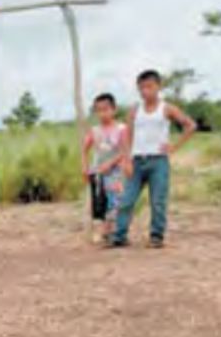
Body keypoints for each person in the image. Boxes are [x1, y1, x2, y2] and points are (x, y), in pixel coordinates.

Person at [109, 70, 196, 248]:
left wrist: (174, 146)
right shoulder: (134, 110)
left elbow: (191, 125)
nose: (145, 91)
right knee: (126, 199)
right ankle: (119, 236)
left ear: (158, 86)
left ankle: (156, 237)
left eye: (149, 86)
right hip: (137, 161)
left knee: (158, 200)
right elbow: (127, 136)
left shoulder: (167, 108)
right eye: (141, 88)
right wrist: (126, 159)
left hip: (158, 161)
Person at [81, 94, 127, 240]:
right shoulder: (94, 130)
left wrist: (111, 163)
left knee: (115, 200)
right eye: (99, 110)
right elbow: (84, 149)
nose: (103, 113)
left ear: (114, 109)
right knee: (98, 200)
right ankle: (100, 231)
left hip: (116, 172)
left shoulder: (122, 128)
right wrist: (84, 167)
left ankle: (112, 230)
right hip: (97, 171)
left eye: (106, 109)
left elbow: (125, 150)